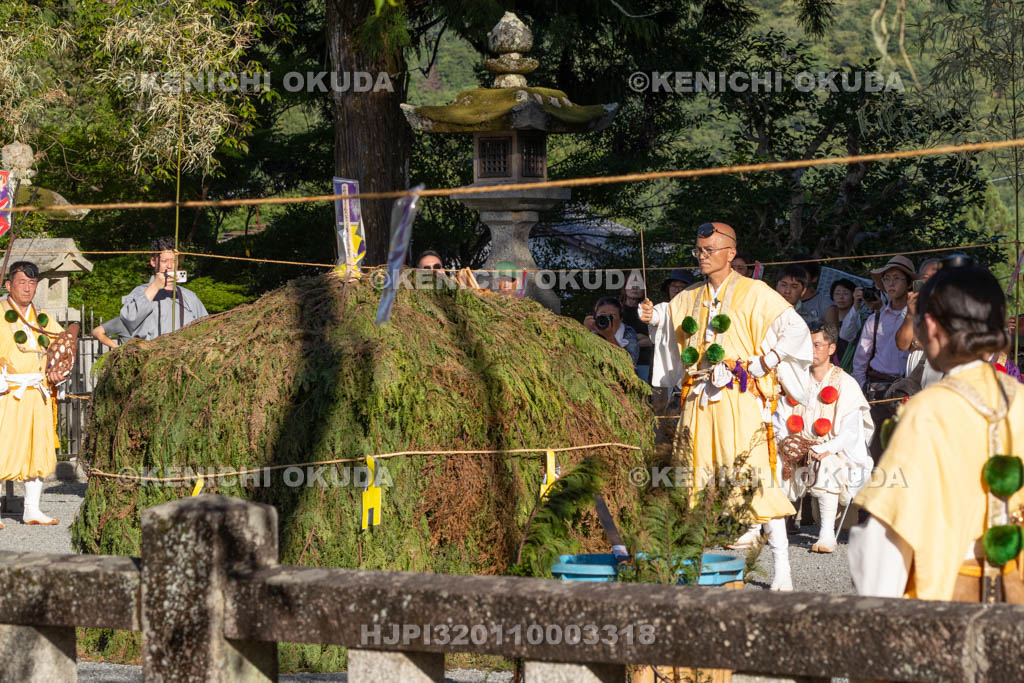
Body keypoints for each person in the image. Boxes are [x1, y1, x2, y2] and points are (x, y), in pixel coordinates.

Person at [640, 222, 812, 591]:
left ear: (730, 253)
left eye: (708, 250)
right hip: (699, 399)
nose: (701, 257)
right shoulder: (690, 295)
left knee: (756, 478)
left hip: (741, 397)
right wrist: (652, 316)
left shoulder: (756, 292)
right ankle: (689, 566)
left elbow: (795, 330)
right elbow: (669, 319)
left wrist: (766, 361)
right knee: (690, 478)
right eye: (698, 251)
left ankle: (782, 565)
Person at [849, 266, 1024, 601]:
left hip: (950, 591)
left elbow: (887, 535)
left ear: (930, 326)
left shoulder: (929, 410)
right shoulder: (1020, 400)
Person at [772, 322, 873, 556]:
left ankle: (826, 533)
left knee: (825, 463)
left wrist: (825, 448)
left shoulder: (846, 383)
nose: (812, 350)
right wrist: (787, 441)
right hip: (795, 446)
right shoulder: (794, 379)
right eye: (808, 345)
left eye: (817, 345)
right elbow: (780, 416)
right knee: (769, 462)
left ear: (831, 348)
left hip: (832, 452)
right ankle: (760, 529)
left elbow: (851, 432)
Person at [0, 261, 66, 526]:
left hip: (36, 392)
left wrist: (59, 370)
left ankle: (31, 509)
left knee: (37, 449)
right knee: (2, 446)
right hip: (7, 391)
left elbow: (63, 347)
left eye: (32, 283)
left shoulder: (43, 318)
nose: (27, 288)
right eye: (22, 282)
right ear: (9, 285)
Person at [852, 255, 914, 460]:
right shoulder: (874, 318)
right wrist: (860, 390)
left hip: (907, 389)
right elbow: (861, 358)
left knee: (903, 448)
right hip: (877, 390)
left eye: (897, 278)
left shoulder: (920, 318)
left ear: (909, 283)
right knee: (874, 448)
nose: (891, 283)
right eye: (887, 279)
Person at [121, 237, 208, 340]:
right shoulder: (140, 292)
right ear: (153, 261)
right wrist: (155, 286)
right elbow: (128, 318)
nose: (170, 266)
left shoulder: (189, 297)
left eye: (174, 261)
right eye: (164, 261)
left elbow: (206, 328)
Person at [895, 258, 943, 390]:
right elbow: (902, 344)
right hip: (915, 372)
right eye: (925, 277)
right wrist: (910, 314)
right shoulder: (913, 305)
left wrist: (916, 342)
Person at [584, 297, 639, 365]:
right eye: (602, 314)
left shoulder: (628, 332)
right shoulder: (592, 329)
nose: (606, 319)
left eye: (612, 316)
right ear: (595, 316)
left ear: (620, 319)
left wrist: (609, 336)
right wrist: (583, 331)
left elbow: (630, 364)